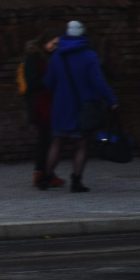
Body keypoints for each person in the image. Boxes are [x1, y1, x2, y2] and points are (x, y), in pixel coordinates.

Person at [40, 21, 118, 193]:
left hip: (61, 107)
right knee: (82, 144)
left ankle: (46, 177)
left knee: (56, 143)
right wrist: (111, 99)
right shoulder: (89, 56)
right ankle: (76, 181)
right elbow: (98, 82)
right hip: (82, 107)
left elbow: (48, 82)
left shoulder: (57, 56)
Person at [22, 32, 63, 188]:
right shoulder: (33, 58)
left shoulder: (47, 57)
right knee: (45, 139)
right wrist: (49, 80)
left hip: (48, 103)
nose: (54, 47)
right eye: (52, 43)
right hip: (40, 104)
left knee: (48, 139)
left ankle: (46, 171)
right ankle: (42, 172)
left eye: (56, 44)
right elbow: (31, 82)